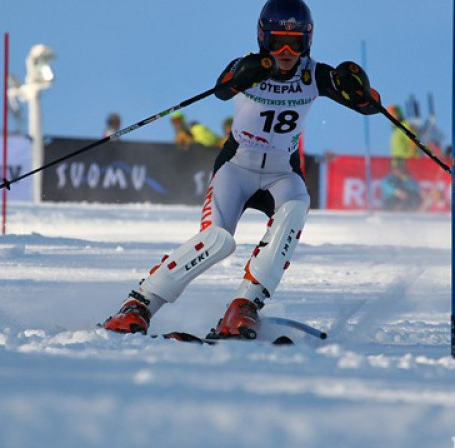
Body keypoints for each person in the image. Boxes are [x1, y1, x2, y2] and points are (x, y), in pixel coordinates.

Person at [102, 0, 381, 338]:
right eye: (278, 41)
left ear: (308, 41)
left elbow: (369, 108)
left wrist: (361, 90)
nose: (286, 51)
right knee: (217, 240)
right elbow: (222, 90)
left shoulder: (316, 74)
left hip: (281, 172)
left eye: (296, 43)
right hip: (237, 167)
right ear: (263, 38)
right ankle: (138, 304)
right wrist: (241, 76)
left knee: (296, 207)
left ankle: (244, 306)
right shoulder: (249, 65)